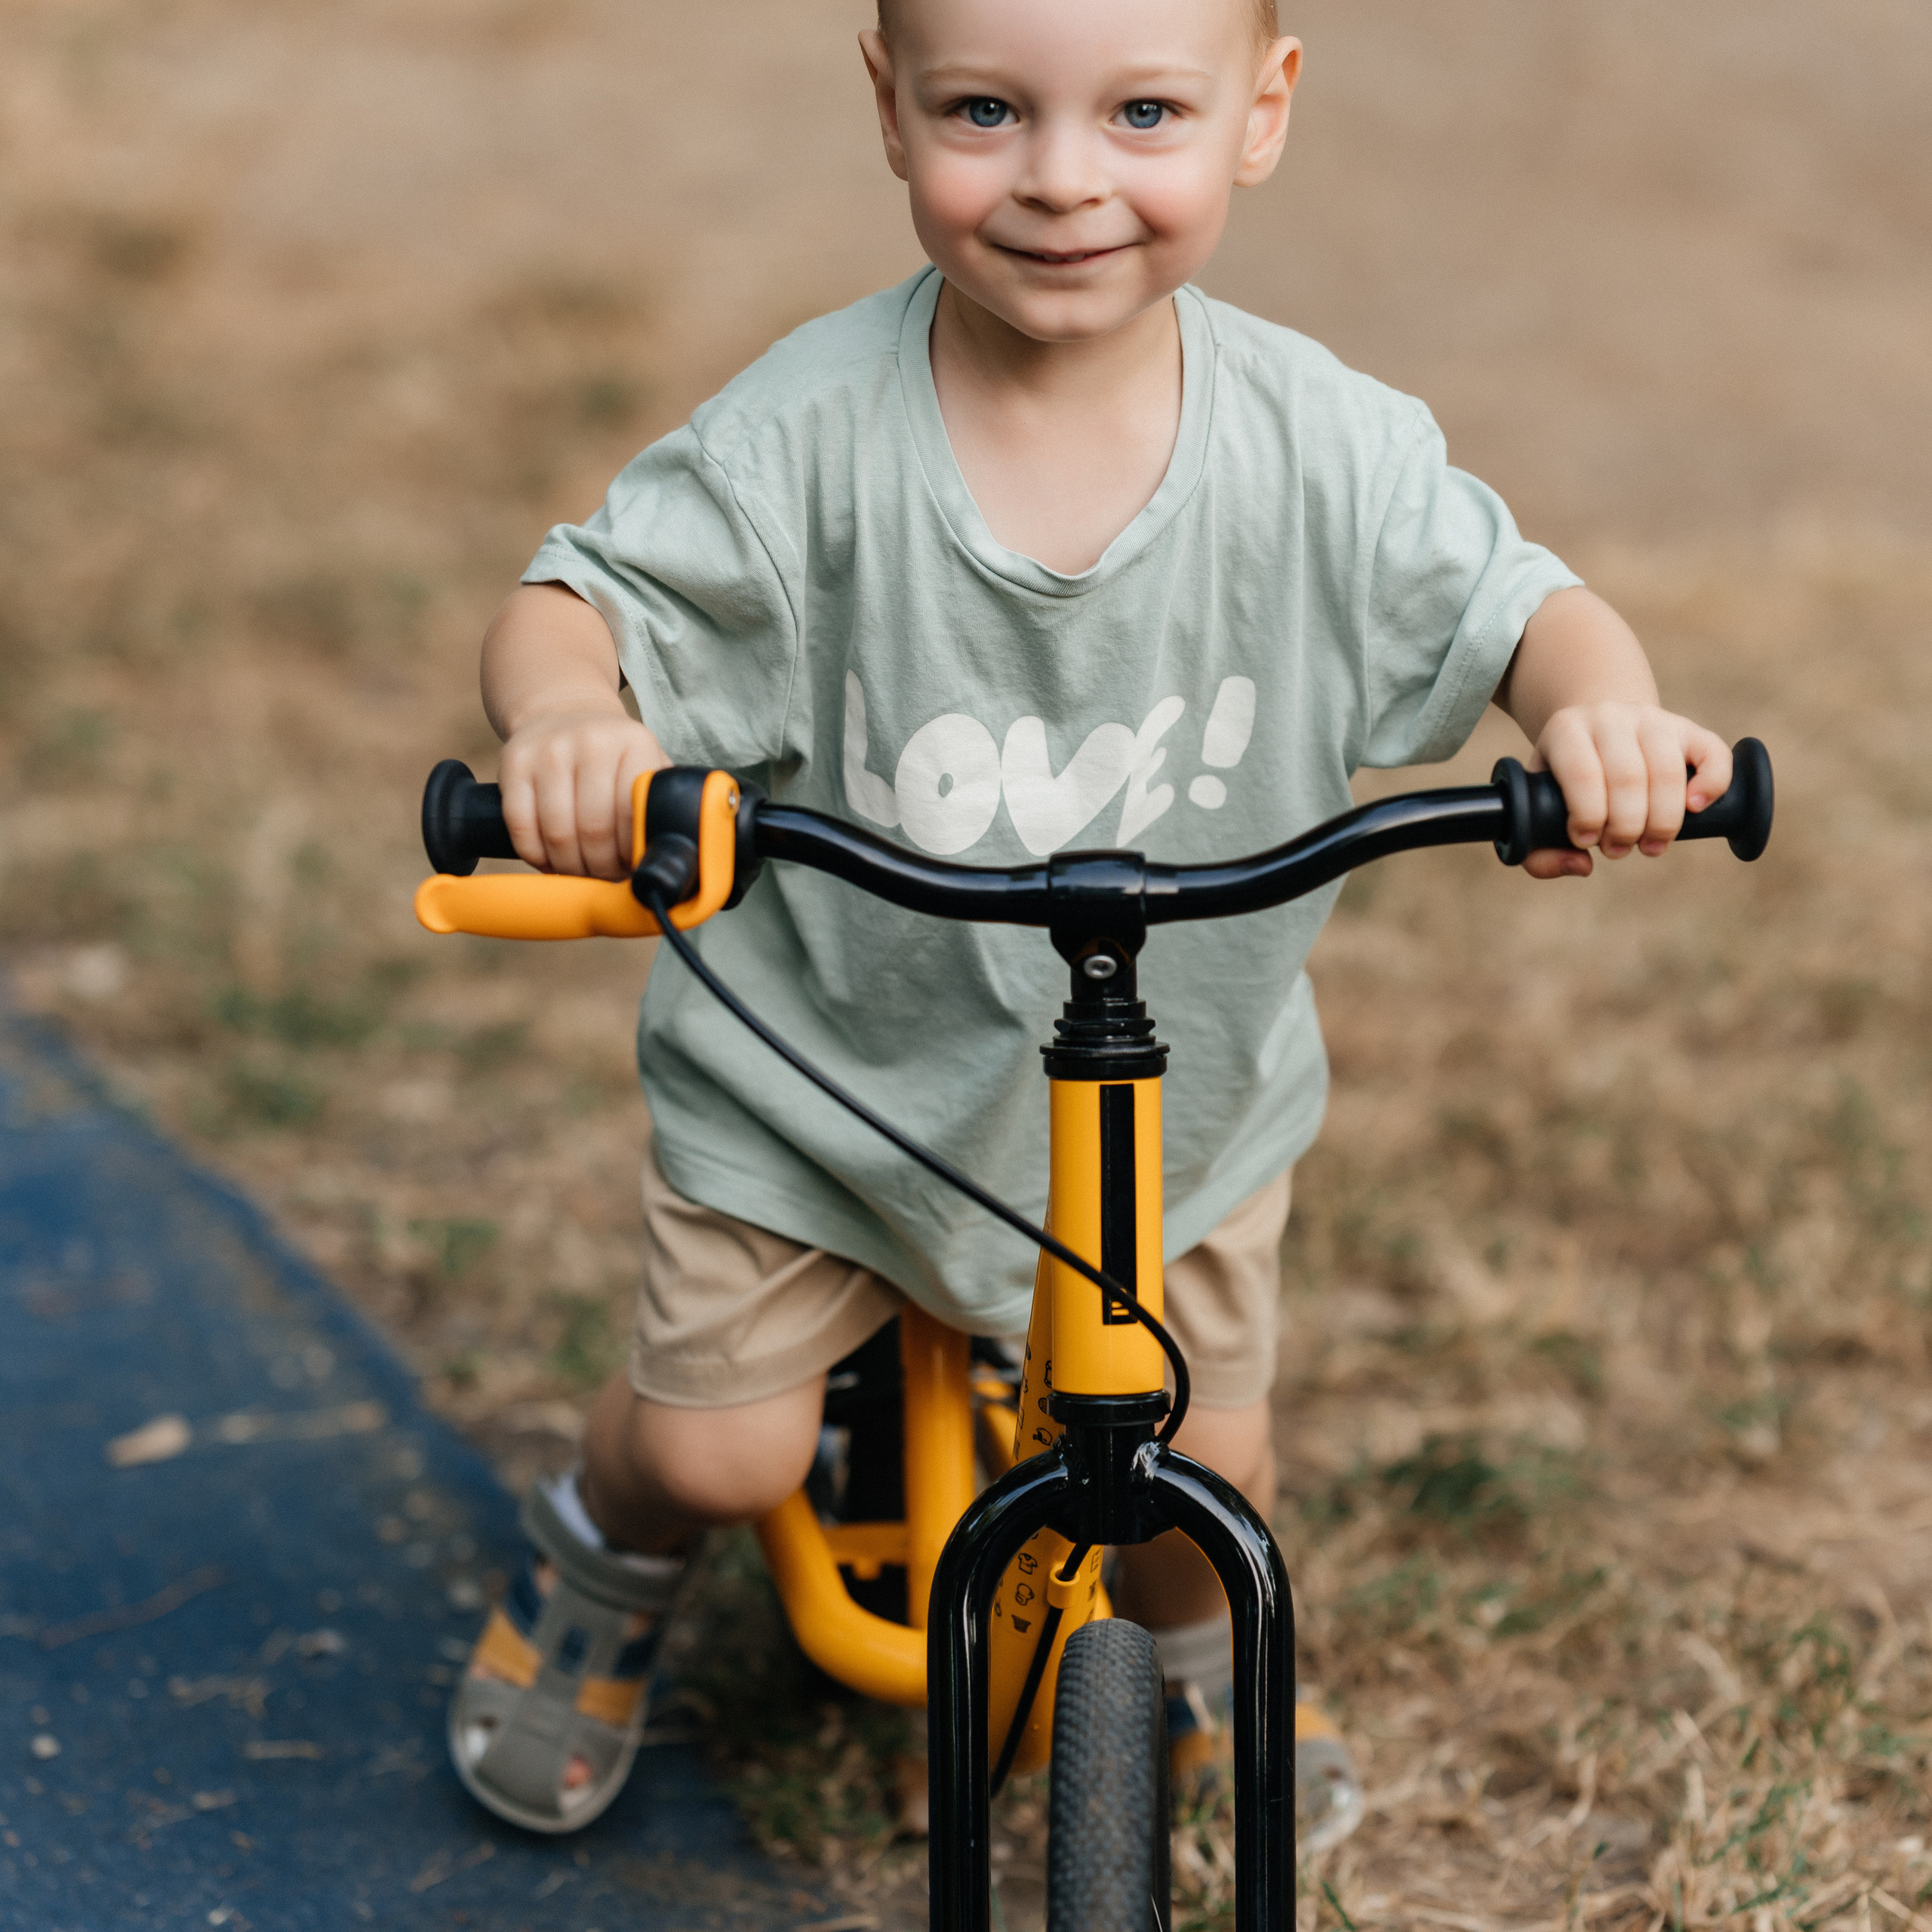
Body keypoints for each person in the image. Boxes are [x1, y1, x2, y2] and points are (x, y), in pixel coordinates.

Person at [446, 0, 1735, 1837]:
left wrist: (1595, 709)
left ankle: (1202, 1669)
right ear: (886, 107)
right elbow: (574, 601)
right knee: (712, 1443)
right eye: (986, 107)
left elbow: (1529, 606)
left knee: (1205, 1462)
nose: (1062, 177)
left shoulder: (1322, 452)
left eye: (1142, 111)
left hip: (1174, 1110)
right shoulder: (805, 440)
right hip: (823, 1091)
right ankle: (600, 1560)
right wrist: (574, 720)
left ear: (1260, 111)